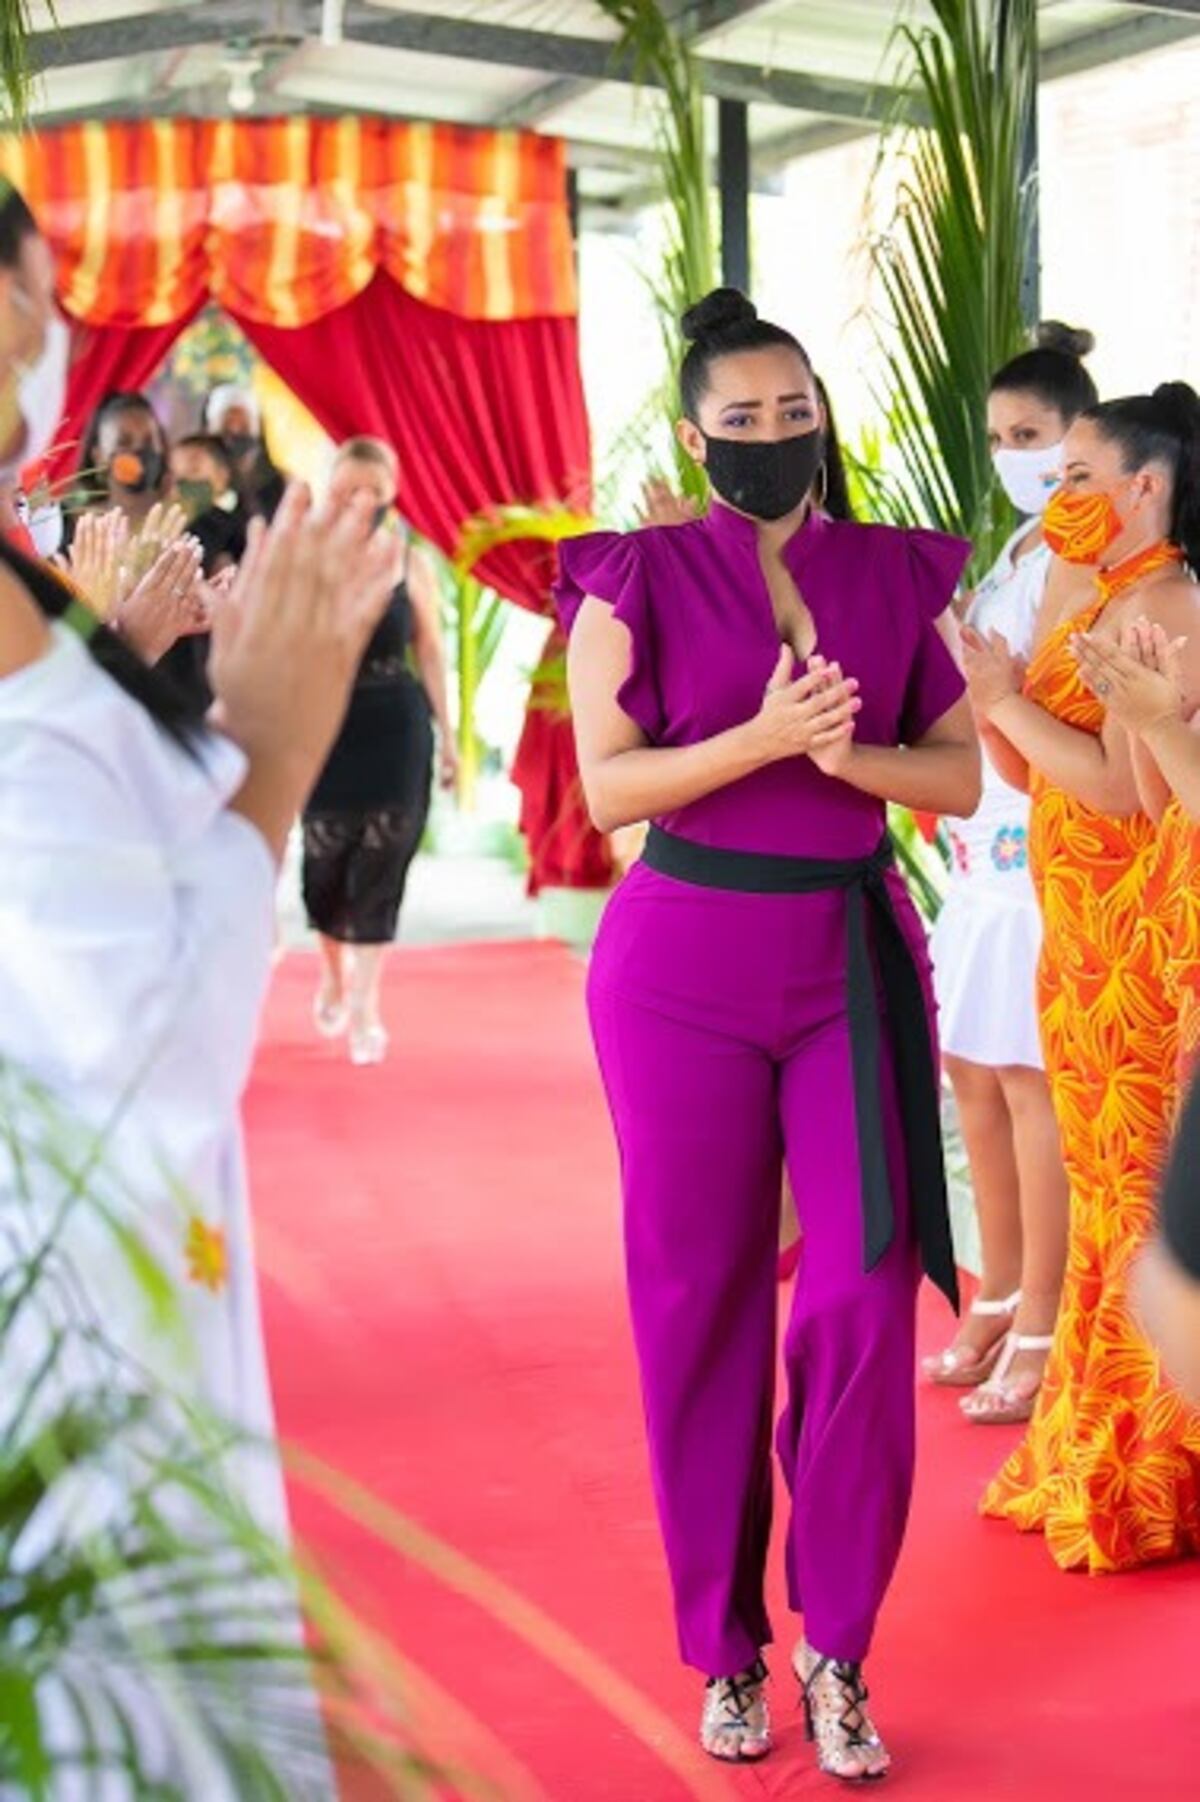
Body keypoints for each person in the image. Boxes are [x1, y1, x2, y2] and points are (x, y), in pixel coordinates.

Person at [0, 181, 400, 1787]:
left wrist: (129, 655)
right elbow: (138, 1054)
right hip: (63, 1315)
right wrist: (274, 743)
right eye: (37, 303)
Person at [557, 288, 980, 1780]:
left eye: (795, 412)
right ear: (695, 438)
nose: (774, 436)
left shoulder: (897, 570)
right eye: (742, 418)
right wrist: (760, 739)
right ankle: (724, 1648)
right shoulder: (634, 576)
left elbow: (957, 775)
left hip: (849, 956)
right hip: (677, 968)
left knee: (862, 1293)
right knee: (699, 1302)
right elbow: (609, 789)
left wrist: (847, 753)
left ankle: (838, 1645)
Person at [964, 383, 1200, 1571]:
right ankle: (1096, 1448)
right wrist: (996, 701)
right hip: (1078, 933)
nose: (1056, 497)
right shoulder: (1096, 589)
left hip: (1138, 946)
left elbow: (1125, 793)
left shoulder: (1165, 604)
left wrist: (1008, 699)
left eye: (1074, 475)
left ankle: (1148, 1470)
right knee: (1106, 1193)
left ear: (1143, 487)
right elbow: (1035, 773)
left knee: (1133, 1201)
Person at [923, 324, 1096, 1424]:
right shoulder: (1022, 544)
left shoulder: (1084, 553)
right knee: (975, 1074)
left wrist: (987, 689)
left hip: (1040, 834)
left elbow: (1055, 707)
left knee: (1031, 1082)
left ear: (1082, 433)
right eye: (998, 438)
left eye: (1029, 435)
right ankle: (996, 1288)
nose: (1009, 455)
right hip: (977, 844)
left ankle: (1046, 1315)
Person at [301, 436, 458, 1065]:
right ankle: (332, 973)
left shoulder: (409, 560)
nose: (362, 501)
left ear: (392, 494)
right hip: (323, 721)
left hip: (397, 721)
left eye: (375, 490)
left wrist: (451, 739)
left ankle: (365, 1002)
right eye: (349, 489)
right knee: (324, 864)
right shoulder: (304, 559)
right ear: (329, 491)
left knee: (384, 858)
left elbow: (431, 652)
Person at [206, 383, 287, 522]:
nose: (235, 430)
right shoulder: (201, 481)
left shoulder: (278, 479)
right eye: (228, 422)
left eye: (243, 425)